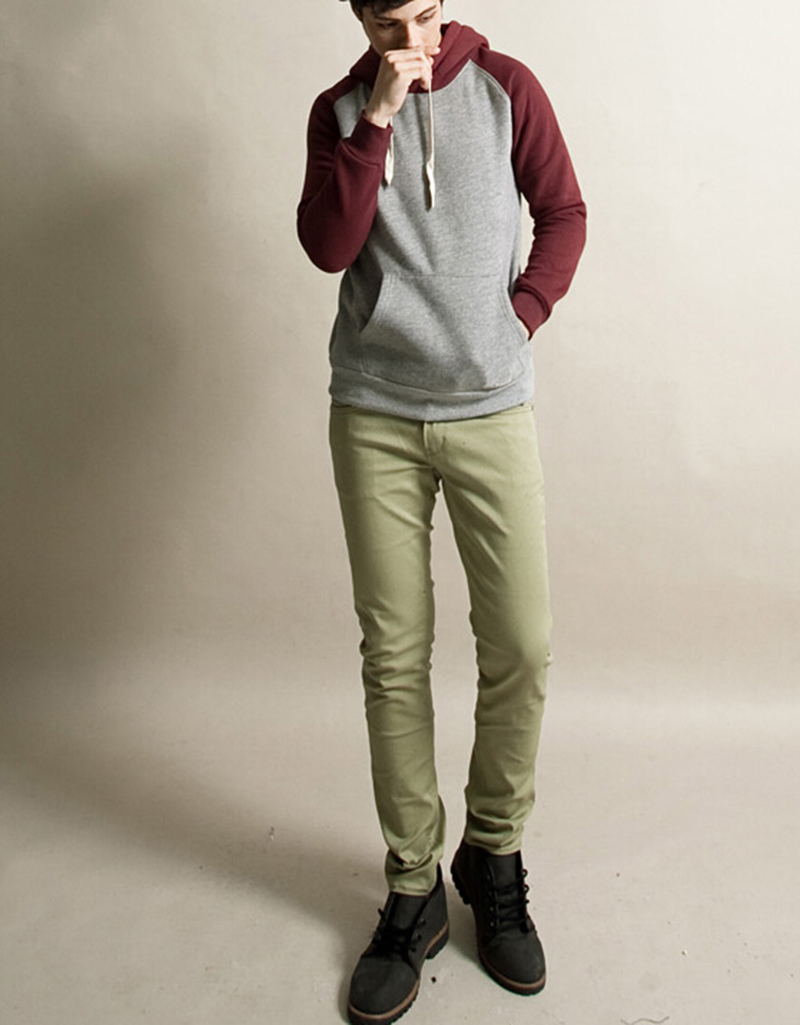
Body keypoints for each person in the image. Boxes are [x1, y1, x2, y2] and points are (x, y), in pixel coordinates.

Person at [297, 2, 586, 1022]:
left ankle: (491, 854)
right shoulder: (338, 110)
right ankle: (412, 884)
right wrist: (377, 116)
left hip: (488, 406)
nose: (414, 37)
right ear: (360, 18)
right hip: (374, 408)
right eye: (390, 23)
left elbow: (564, 210)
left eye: (425, 13)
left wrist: (520, 316)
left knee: (522, 643)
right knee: (394, 652)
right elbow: (328, 246)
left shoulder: (508, 88)